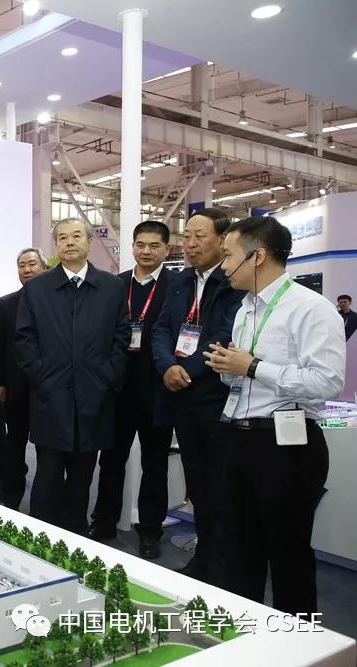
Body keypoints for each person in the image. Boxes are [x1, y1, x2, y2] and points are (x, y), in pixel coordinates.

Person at [204, 216, 344, 618]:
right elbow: (245, 378)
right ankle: (245, 634)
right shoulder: (244, 310)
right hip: (241, 438)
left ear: (258, 256)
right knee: (240, 550)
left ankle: (300, 642)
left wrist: (252, 367)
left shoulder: (310, 309)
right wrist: (230, 369)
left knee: (288, 554)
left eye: (228, 255)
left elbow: (328, 381)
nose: (224, 265)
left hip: (287, 446)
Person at [17, 219, 129, 534]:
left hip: (93, 398)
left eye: (77, 236)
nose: (69, 242)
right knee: (47, 477)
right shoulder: (37, 288)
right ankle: (40, 538)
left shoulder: (111, 287)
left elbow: (122, 337)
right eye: (63, 237)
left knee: (82, 478)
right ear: (56, 245)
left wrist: (107, 377)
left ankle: (76, 537)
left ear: (89, 242)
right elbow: (24, 339)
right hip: (50, 398)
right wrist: (42, 376)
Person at [151, 207, 244, 586]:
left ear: (222, 239)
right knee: (198, 484)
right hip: (181, 397)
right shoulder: (180, 281)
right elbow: (160, 328)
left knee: (220, 485)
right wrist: (166, 367)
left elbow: (226, 333)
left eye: (198, 236)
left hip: (216, 396)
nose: (189, 244)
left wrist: (188, 369)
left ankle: (221, 564)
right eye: (186, 236)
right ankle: (204, 559)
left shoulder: (233, 282)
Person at [89, 221, 175, 559]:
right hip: (118, 389)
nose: (146, 251)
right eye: (140, 244)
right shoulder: (116, 284)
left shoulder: (177, 286)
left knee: (155, 464)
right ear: (133, 246)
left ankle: (150, 531)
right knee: (111, 460)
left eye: (154, 245)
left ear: (167, 249)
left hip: (158, 389)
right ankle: (103, 522)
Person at [0, 247, 47, 510]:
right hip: (15, 388)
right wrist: (0, 382)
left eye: (32, 264)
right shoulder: (5, 304)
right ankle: (11, 498)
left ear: (44, 267)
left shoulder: (56, 301)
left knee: (48, 450)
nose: (27, 270)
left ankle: (45, 502)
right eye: (22, 265)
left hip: (48, 388)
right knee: (14, 446)